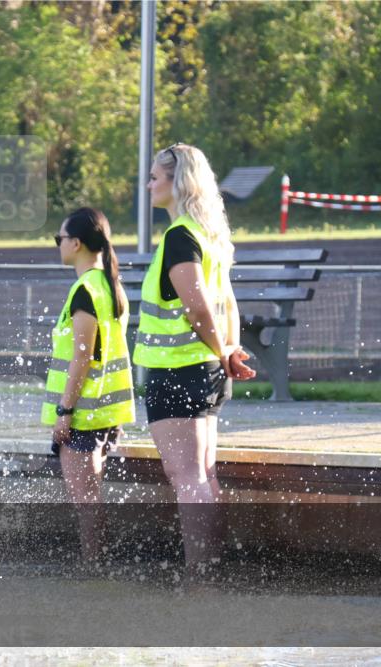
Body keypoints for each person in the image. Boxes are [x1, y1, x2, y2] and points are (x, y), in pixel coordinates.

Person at [133, 143, 256, 574]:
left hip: (179, 370)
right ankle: (211, 569)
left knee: (187, 478)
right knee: (203, 474)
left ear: (177, 181)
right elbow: (229, 303)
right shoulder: (208, 235)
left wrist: (223, 350)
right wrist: (229, 350)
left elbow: (198, 306)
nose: (147, 184)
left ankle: (199, 576)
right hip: (204, 368)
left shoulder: (180, 237)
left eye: (154, 177)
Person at [41, 207, 136, 562]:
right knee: (91, 498)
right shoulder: (109, 285)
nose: (58, 245)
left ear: (76, 243)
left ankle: (93, 567)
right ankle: (97, 562)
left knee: (85, 502)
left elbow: (83, 357)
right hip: (106, 411)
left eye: (60, 239)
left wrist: (64, 410)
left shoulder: (86, 290)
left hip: (83, 413)